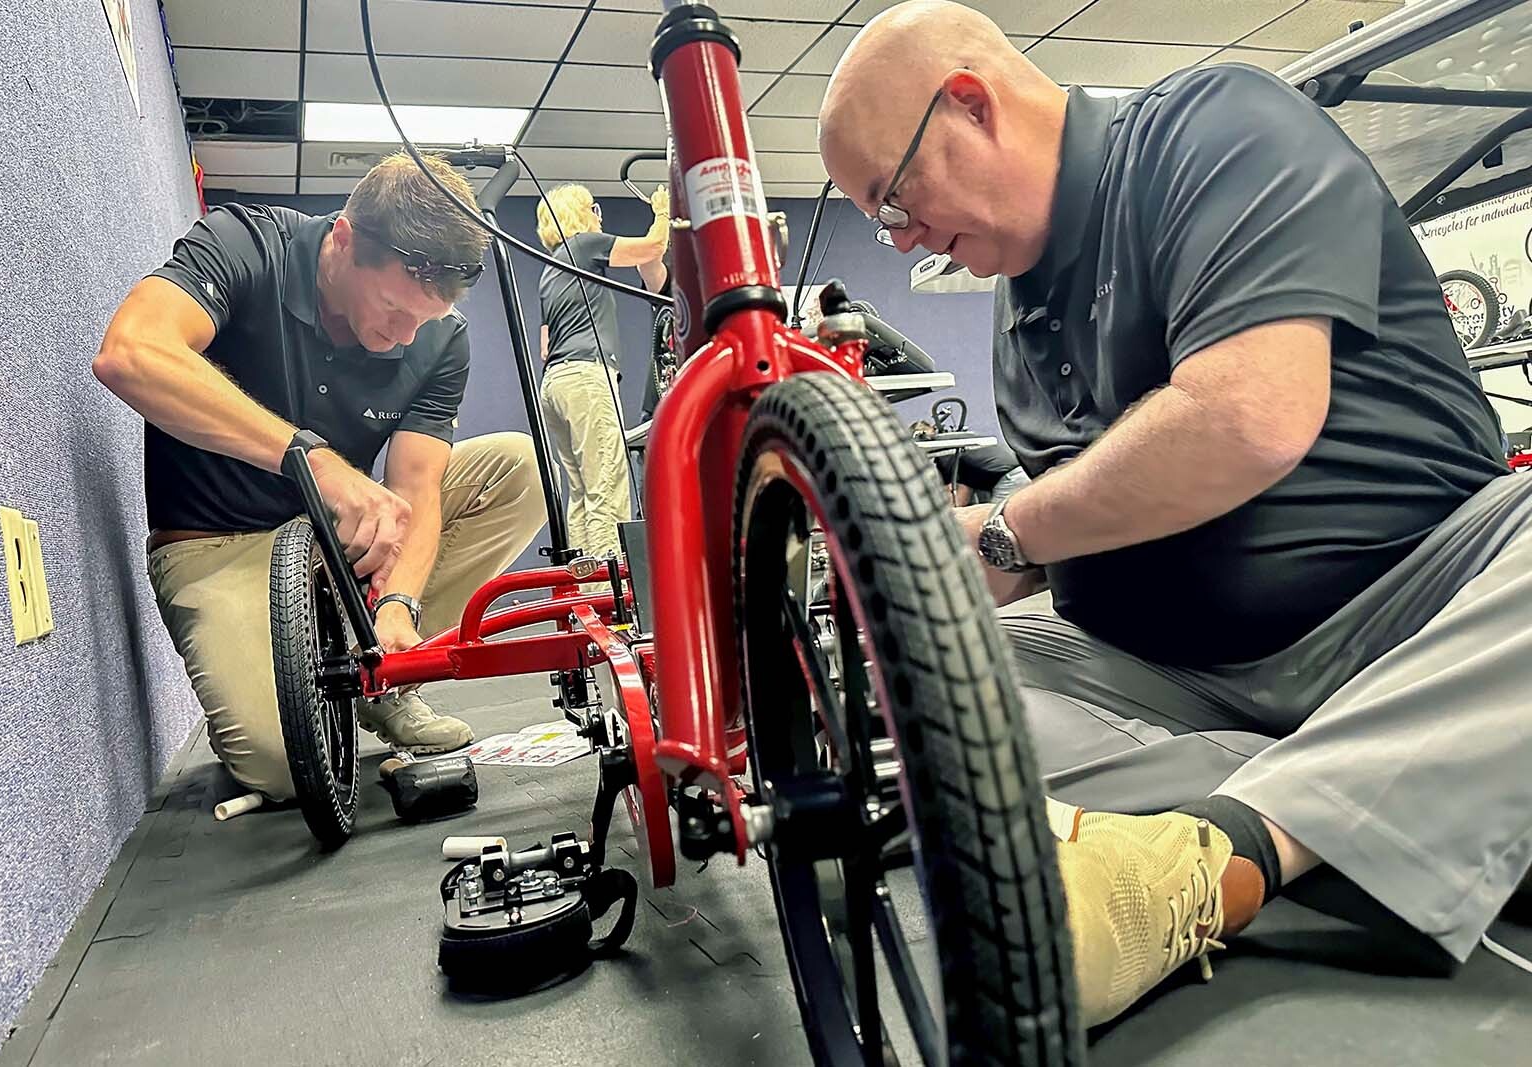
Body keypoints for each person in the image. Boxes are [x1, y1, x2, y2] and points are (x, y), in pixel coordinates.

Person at [820, 0, 1530, 1030]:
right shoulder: (1018, 306)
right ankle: (1386, 796)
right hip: (1182, 681)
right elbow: (1078, 509)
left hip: (1411, 614)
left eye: (894, 199)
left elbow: (1246, 418)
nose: (903, 235)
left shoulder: (1214, 126)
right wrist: (960, 565)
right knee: (911, 674)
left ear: (969, 104)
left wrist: (1013, 532)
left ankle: (1231, 855)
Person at [94, 153, 547, 803]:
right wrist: (310, 456)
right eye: (393, 307)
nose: (403, 337)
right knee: (284, 767)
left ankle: (386, 676)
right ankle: (323, 678)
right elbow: (129, 352)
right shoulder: (245, 245)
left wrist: (399, 604)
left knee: (520, 468)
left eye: (422, 320)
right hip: (218, 545)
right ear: (342, 238)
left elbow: (418, 489)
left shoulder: (438, 338)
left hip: (337, 543)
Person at [536, 183, 669, 565]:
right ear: (583, 213)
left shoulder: (552, 268)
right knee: (607, 484)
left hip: (555, 383)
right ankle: (613, 583)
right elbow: (652, 247)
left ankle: (583, 581)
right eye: (595, 208)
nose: (599, 215)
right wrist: (661, 211)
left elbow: (544, 346)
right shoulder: (583, 244)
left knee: (580, 490)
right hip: (585, 375)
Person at [908, 419, 1029, 506]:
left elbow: (960, 497)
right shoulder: (952, 441)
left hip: (1009, 479)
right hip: (1019, 472)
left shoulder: (946, 451)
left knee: (993, 524)